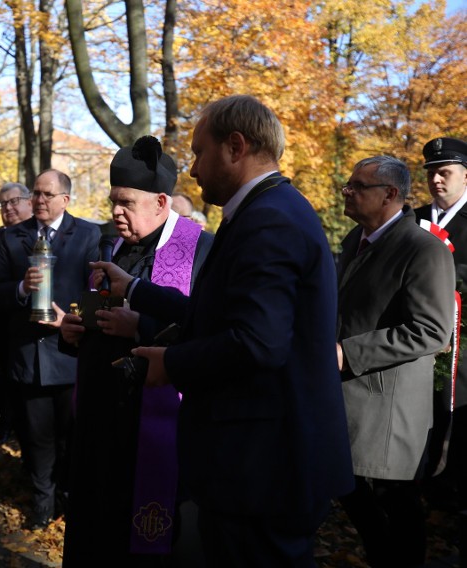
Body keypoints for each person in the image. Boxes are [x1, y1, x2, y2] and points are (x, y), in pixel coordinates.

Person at [95, 95, 354, 567]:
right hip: (257, 460)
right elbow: (219, 315)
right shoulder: (265, 211)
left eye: (198, 153)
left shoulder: (270, 219)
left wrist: (171, 363)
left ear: (235, 146)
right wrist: (136, 288)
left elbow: (258, 343)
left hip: (265, 464)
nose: (192, 171)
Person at [60, 136, 212, 566]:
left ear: (161, 202)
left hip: (155, 423)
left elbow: (208, 327)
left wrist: (140, 326)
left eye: (126, 202)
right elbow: (96, 312)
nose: (115, 212)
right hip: (98, 420)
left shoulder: (200, 249)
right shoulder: (111, 248)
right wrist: (75, 331)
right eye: (113, 202)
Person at [335, 155, 455, 567]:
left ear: (389, 194)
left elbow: (432, 331)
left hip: (390, 405)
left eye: (357, 186)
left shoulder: (423, 249)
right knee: (353, 493)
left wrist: (348, 353)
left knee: (396, 503)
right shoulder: (356, 239)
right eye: (347, 185)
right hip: (350, 396)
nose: (346, 192)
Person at [0, 169, 101, 529]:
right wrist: (22, 288)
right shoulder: (11, 238)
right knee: (37, 439)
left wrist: (70, 319)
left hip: (69, 353)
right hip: (28, 355)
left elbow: (96, 292)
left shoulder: (87, 234)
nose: (38, 200)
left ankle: (68, 496)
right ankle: (41, 503)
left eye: (47, 195)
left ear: (65, 200)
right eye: (35, 193)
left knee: (71, 437)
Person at [414, 137, 467, 516]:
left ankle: (452, 493)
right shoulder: (413, 218)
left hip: (463, 342)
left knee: (459, 419)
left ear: (465, 176)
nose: (436, 180)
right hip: (418, 339)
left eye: (445, 172)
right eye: (432, 172)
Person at [0, 182, 34, 446]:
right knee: (4, 384)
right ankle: (5, 425)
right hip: (0, 328)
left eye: (14, 201)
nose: (9, 208)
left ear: (29, 201)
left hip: (34, 329)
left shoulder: (42, 237)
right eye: (3, 204)